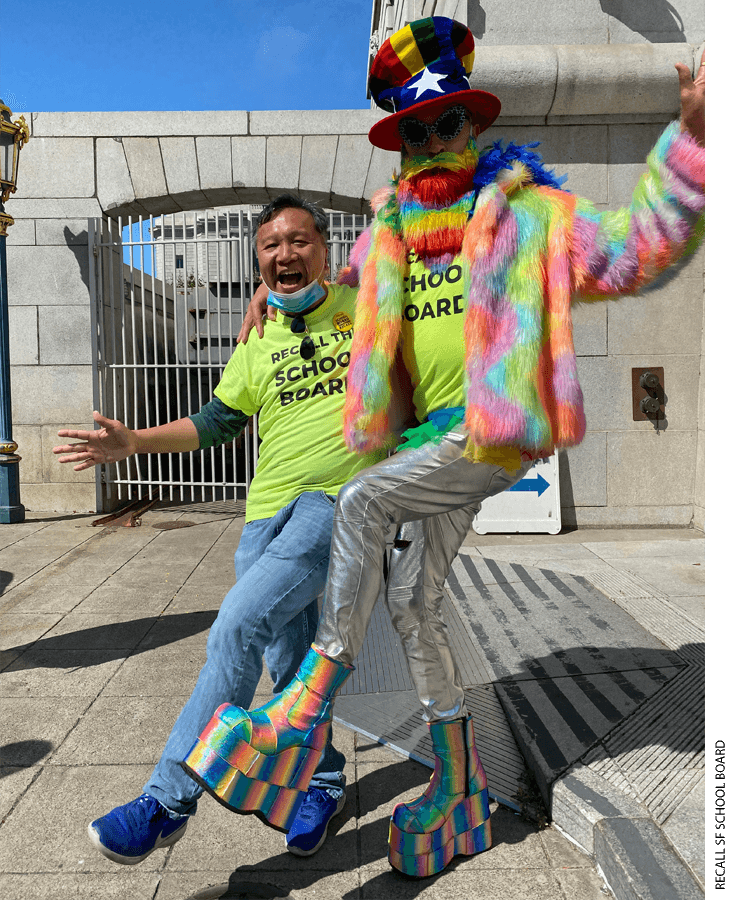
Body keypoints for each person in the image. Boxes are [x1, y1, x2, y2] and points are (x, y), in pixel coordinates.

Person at [185, 15, 705, 879]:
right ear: (401, 144)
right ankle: (459, 788)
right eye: (415, 130)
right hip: (425, 444)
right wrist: (267, 301)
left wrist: (689, 140)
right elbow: (324, 292)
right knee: (414, 605)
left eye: (447, 124)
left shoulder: (526, 216)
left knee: (362, 500)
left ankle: (303, 704)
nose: (433, 141)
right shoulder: (387, 240)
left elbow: (632, 252)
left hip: (492, 433)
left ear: (474, 128)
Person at [52, 195, 391, 863]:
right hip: (263, 515)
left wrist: (381, 227)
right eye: (270, 245)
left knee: (237, 623)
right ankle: (321, 784)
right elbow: (217, 422)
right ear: (257, 260)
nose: (284, 254)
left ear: (326, 250)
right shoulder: (259, 336)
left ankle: (165, 800)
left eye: (299, 241)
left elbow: (406, 253)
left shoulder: (368, 308)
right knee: (288, 662)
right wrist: (134, 442)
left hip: (338, 503)